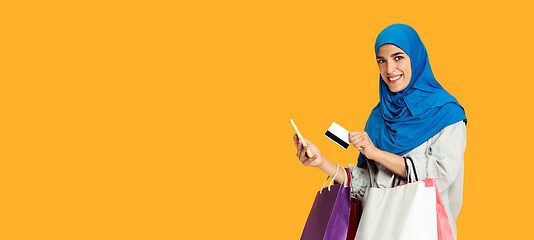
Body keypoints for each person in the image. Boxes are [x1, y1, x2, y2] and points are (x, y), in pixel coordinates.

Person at [293, 24, 467, 239]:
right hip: (376, 231)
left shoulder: (446, 113)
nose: (389, 69)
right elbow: (369, 185)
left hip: (424, 231)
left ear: (416, 57)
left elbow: (442, 176)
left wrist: (376, 153)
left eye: (398, 57)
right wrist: (322, 162)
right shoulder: (378, 117)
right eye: (381, 61)